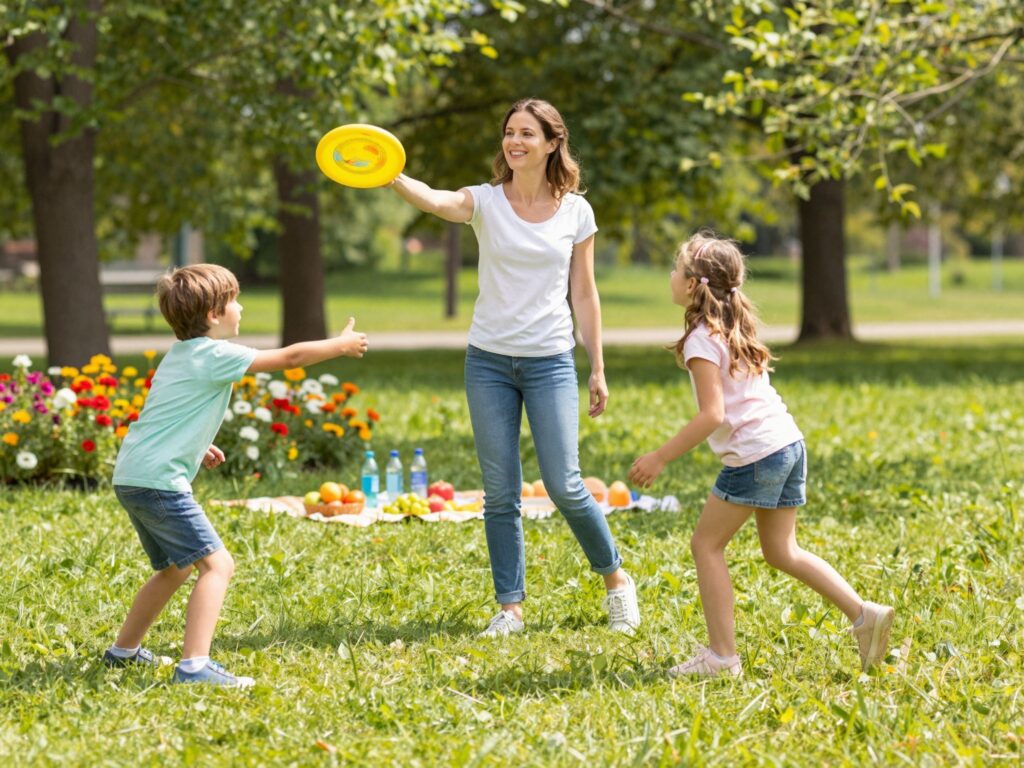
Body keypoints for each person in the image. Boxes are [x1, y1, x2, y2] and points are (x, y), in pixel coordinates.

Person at [387, 98, 639, 636]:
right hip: (489, 362)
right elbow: (435, 201)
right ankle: (511, 608)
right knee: (499, 492)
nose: (514, 141)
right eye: (508, 132)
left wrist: (596, 365)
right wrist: (392, 173)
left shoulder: (576, 211)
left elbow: (585, 292)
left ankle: (616, 579)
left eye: (527, 133)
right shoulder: (483, 201)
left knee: (565, 483)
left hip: (549, 360)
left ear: (552, 142)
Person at [628, 232, 894, 677]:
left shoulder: (700, 339)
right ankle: (864, 614)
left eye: (677, 270)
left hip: (755, 455)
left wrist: (660, 456)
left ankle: (721, 657)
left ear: (693, 285)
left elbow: (712, 414)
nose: (671, 277)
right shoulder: (731, 325)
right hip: (787, 443)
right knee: (781, 550)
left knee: (705, 546)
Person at [103, 264, 368, 686]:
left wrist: (194, 444)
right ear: (213, 315)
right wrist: (339, 344)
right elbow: (291, 358)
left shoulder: (179, 355)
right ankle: (194, 667)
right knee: (217, 566)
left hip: (134, 474)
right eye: (234, 301)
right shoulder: (213, 354)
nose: (240, 307)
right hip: (160, 484)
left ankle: (123, 652)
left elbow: (165, 414)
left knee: (175, 567)